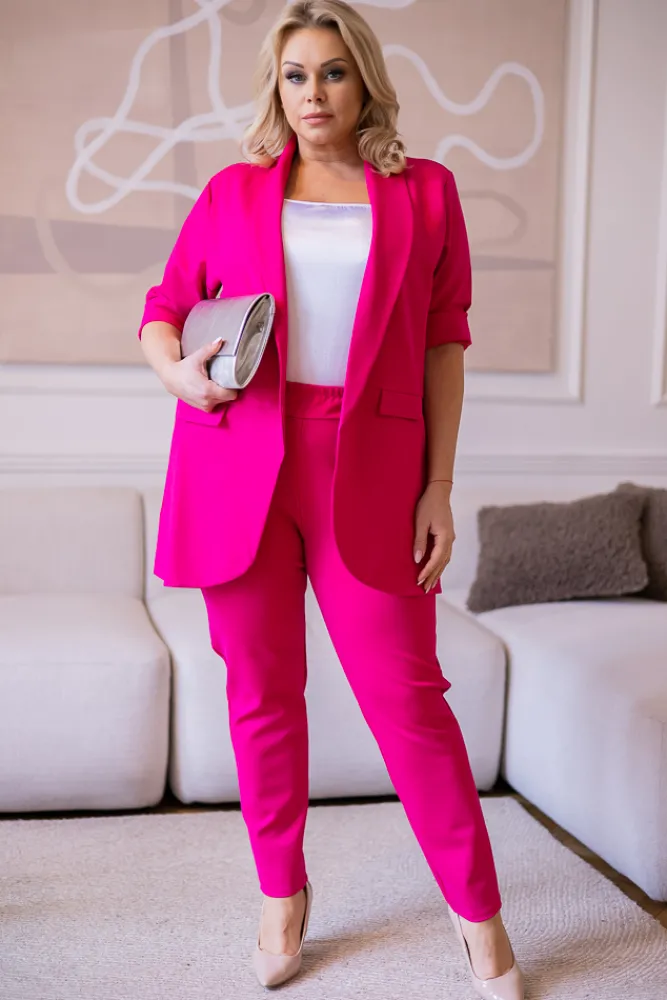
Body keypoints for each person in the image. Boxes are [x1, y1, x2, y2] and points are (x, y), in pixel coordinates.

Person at [138, 2, 524, 996]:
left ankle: (479, 916)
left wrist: (439, 484)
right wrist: (179, 376)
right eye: (296, 75)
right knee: (260, 694)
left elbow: (444, 343)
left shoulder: (426, 192)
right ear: (277, 88)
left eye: (333, 72)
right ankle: (282, 894)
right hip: (239, 461)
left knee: (409, 700)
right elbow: (164, 311)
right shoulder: (231, 192)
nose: (313, 93)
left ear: (365, 81)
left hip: (374, 470)